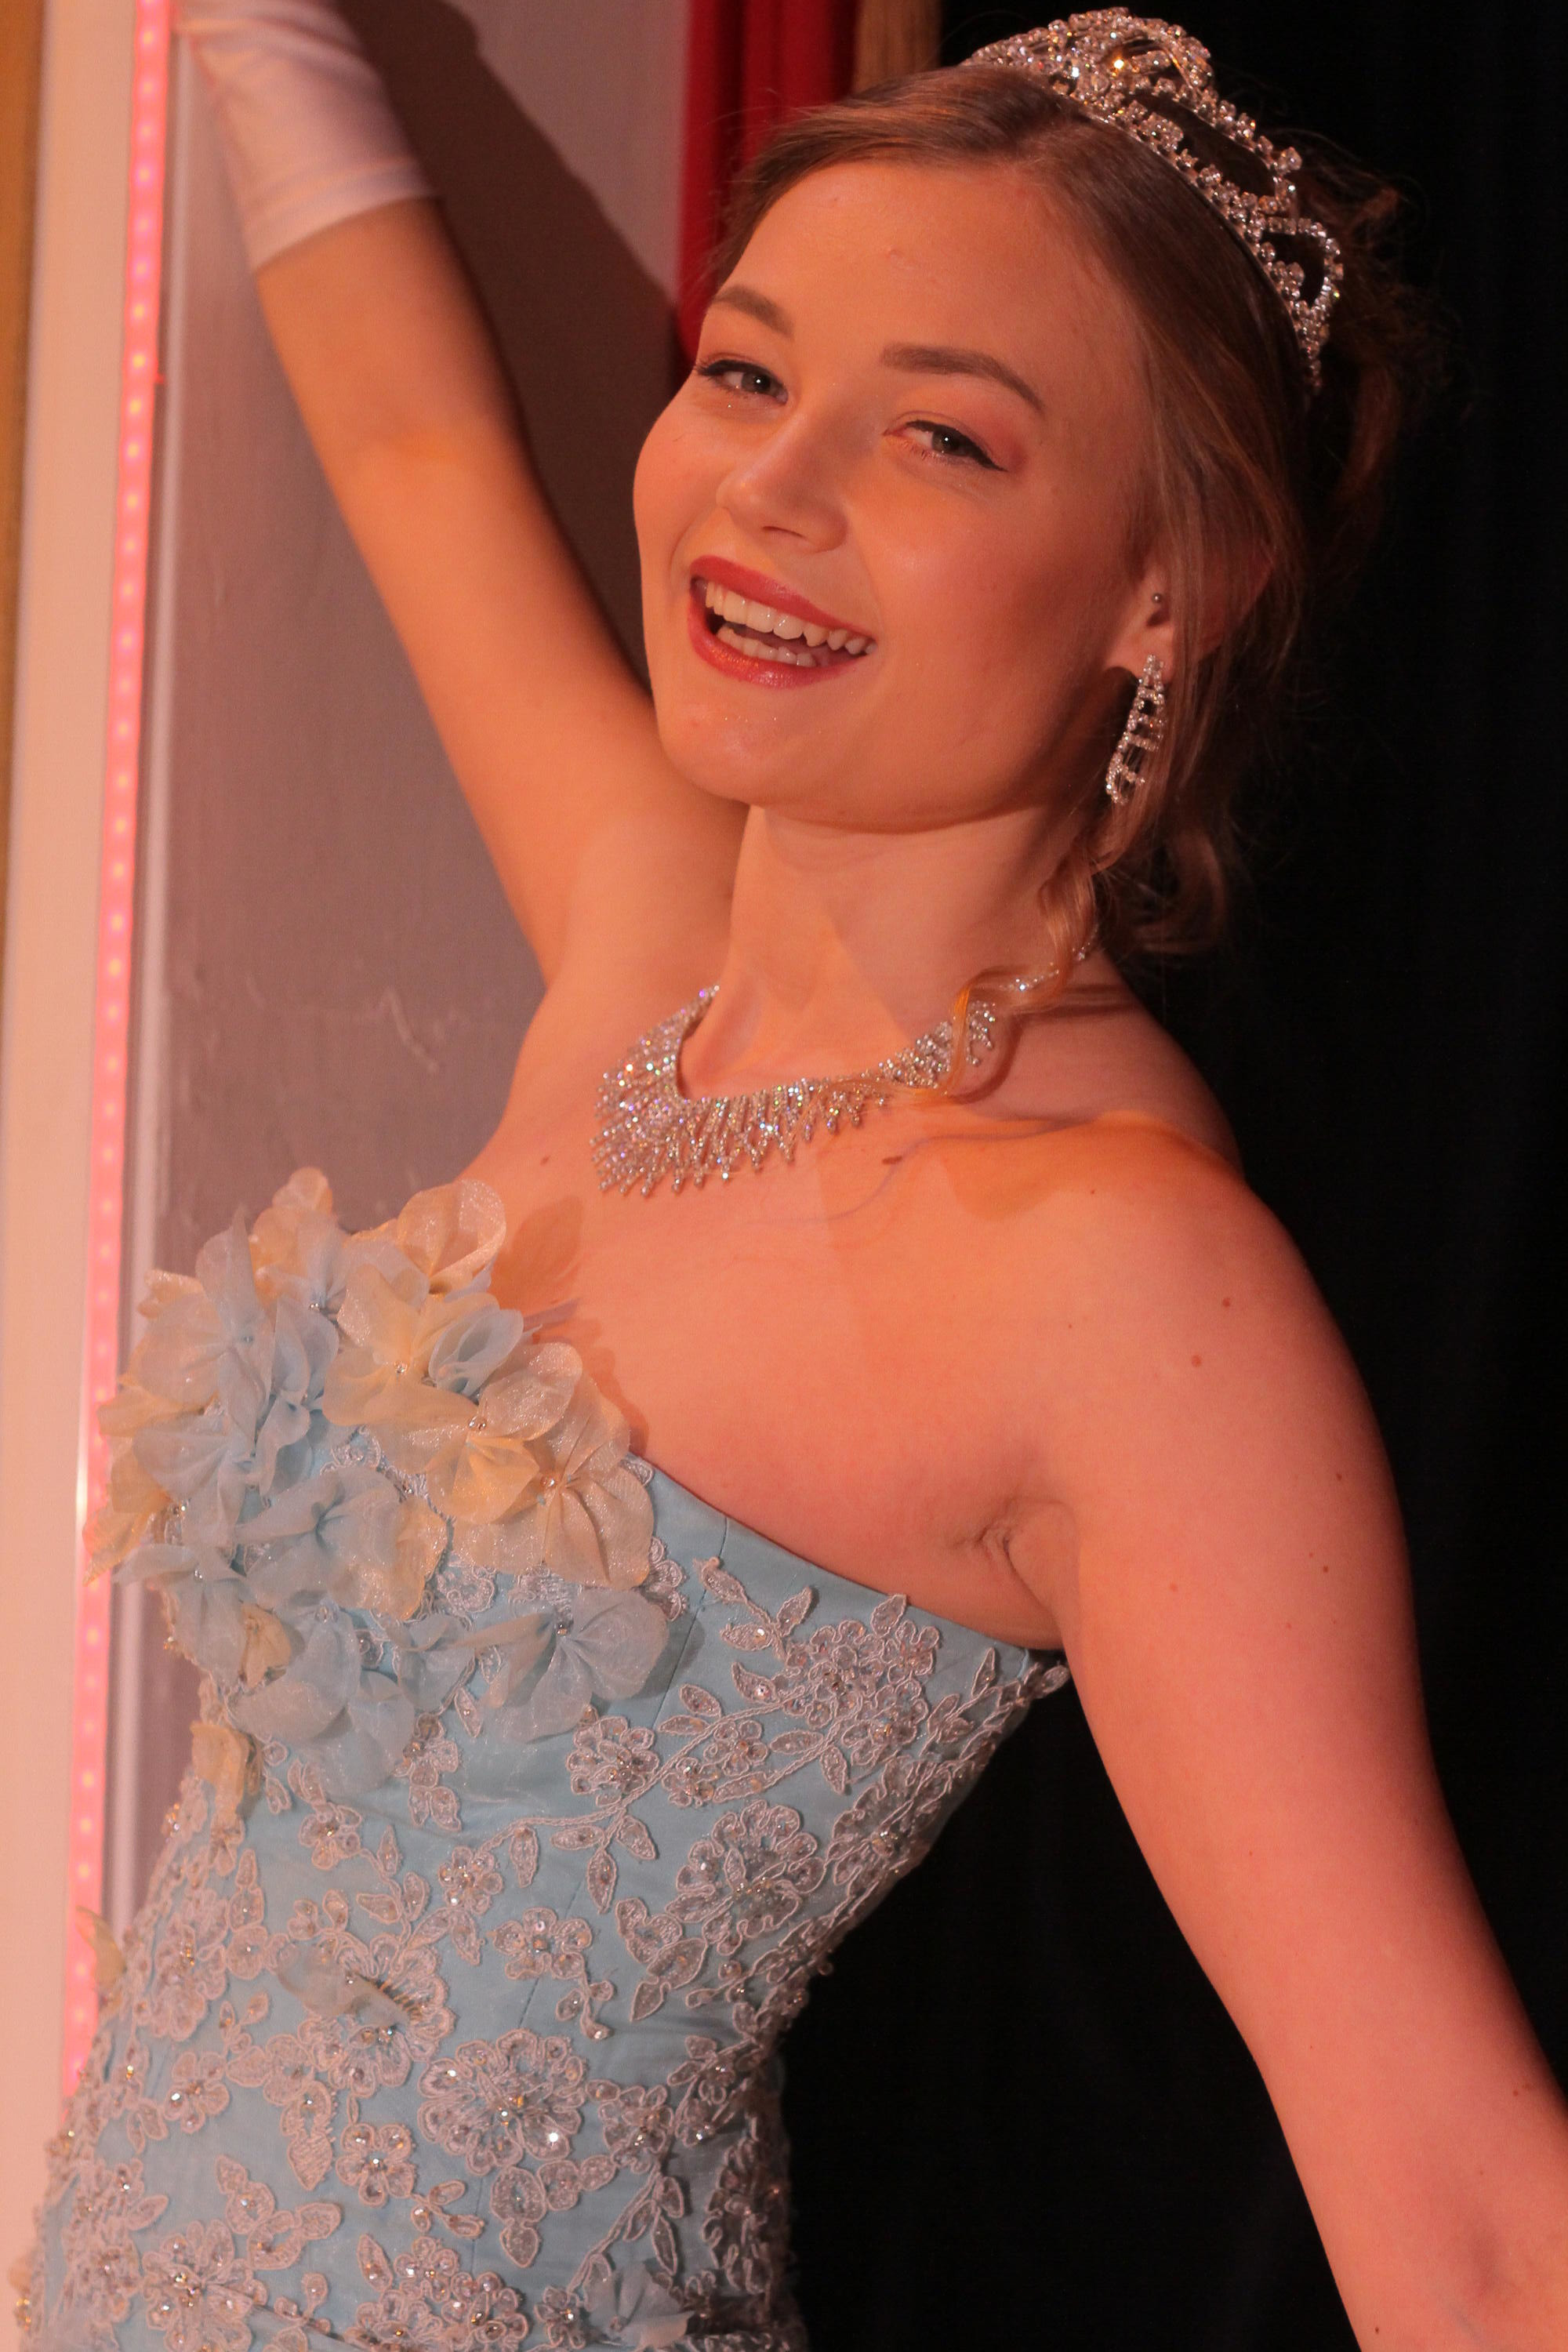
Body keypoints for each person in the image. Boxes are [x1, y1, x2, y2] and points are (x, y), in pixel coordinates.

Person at [17, 8, 1568, 2348]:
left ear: (1175, 582)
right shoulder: (650, 953)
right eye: (746, 373)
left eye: (942, 434)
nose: (771, 485)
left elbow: (1467, 2220)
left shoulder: (1120, 1279)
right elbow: (421, 445)